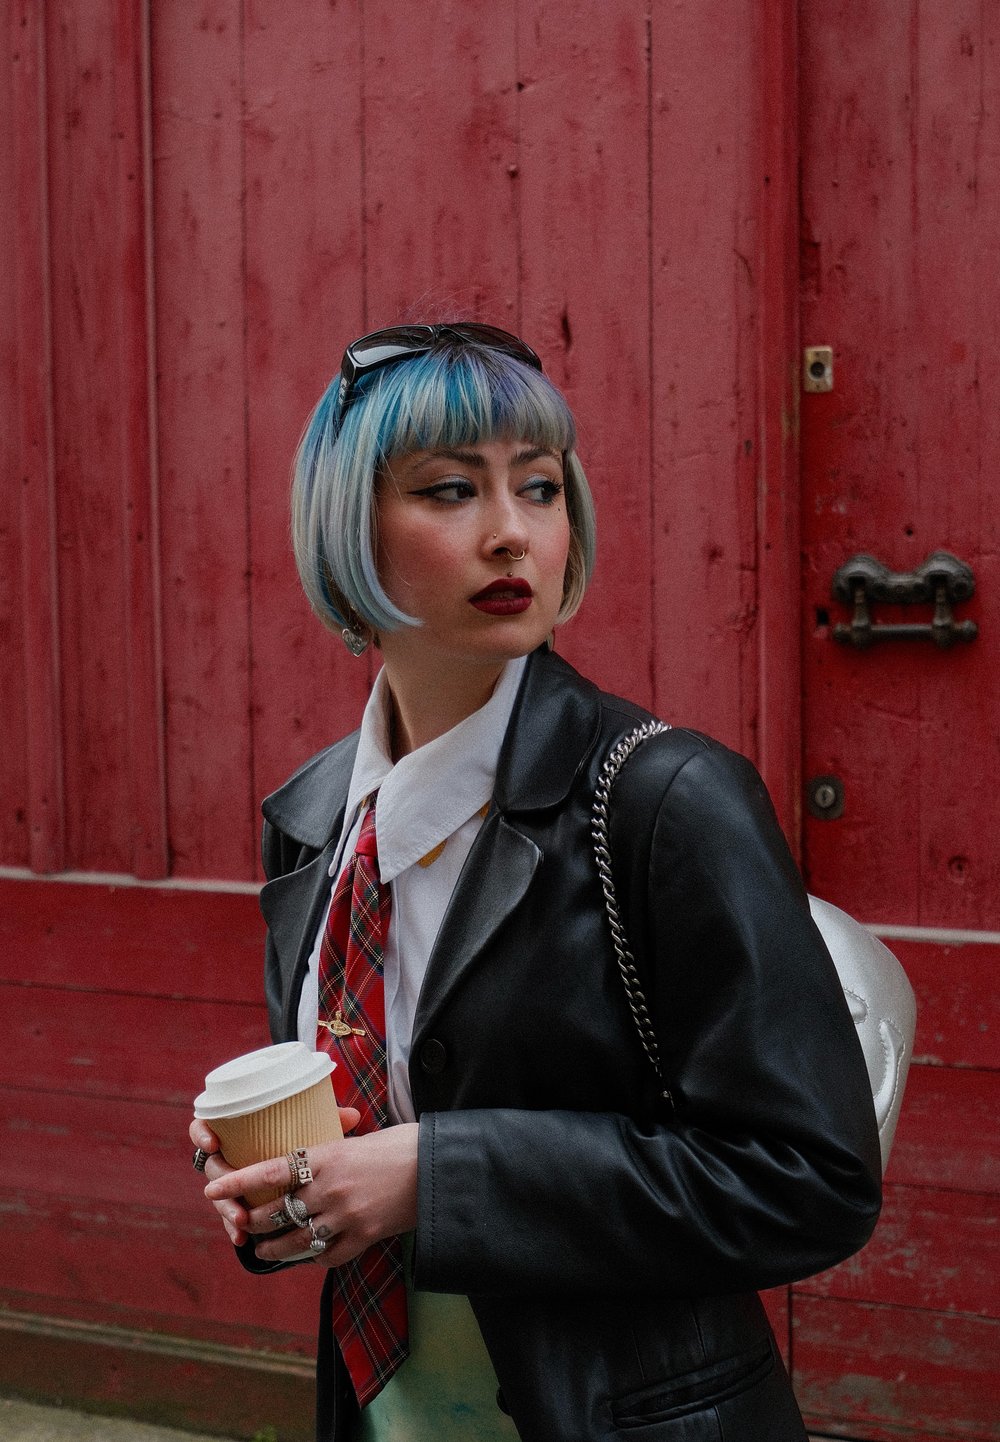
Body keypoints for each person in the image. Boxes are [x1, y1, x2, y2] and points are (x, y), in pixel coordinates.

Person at [191, 322, 881, 1442]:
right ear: (343, 526)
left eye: (543, 487)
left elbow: (811, 1178)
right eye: (453, 489)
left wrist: (437, 1173)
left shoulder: (667, 798)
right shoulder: (314, 818)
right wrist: (287, 1188)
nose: (514, 534)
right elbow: (361, 1134)